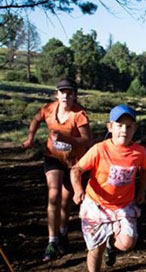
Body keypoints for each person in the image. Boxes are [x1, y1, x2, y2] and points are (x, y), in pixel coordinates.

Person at [70, 104, 146, 272]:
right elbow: (76, 169)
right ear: (110, 127)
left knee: (127, 243)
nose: (124, 130)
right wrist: (78, 190)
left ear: (135, 128)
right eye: (119, 125)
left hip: (123, 205)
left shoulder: (139, 152)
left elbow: (145, 169)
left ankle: (111, 244)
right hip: (96, 204)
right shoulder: (100, 149)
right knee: (95, 249)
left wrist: (142, 191)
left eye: (129, 127)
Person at [21, 78, 92, 261]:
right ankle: (52, 242)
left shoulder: (79, 114)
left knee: (65, 201)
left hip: (74, 162)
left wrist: (66, 139)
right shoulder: (49, 109)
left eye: (70, 93)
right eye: (62, 92)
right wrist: (30, 139)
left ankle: (63, 232)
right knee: (53, 195)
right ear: (56, 94)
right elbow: (36, 119)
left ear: (75, 96)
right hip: (53, 158)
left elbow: (87, 140)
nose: (66, 96)